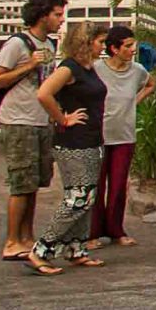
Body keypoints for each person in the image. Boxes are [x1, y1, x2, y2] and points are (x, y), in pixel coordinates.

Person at [0, 0, 67, 263]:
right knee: (20, 182)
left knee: (34, 182)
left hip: (39, 120)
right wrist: (27, 66)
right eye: (57, 14)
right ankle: (11, 240)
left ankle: (26, 236)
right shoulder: (18, 44)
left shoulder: (49, 44)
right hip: (18, 120)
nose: (61, 19)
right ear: (43, 14)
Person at [26, 23, 109, 275]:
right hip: (73, 142)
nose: (103, 47)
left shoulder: (89, 68)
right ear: (86, 42)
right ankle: (41, 249)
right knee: (77, 198)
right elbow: (44, 94)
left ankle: (76, 248)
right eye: (100, 41)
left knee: (87, 197)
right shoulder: (69, 68)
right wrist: (63, 119)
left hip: (91, 139)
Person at [86, 26, 153, 251]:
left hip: (124, 134)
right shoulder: (96, 69)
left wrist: (134, 101)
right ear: (114, 49)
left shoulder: (137, 70)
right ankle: (92, 232)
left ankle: (116, 229)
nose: (133, 50)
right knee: (96, 185)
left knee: (118, 185)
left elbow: (151, 84)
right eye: (128, 46)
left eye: (133, 45)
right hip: (98, 135)